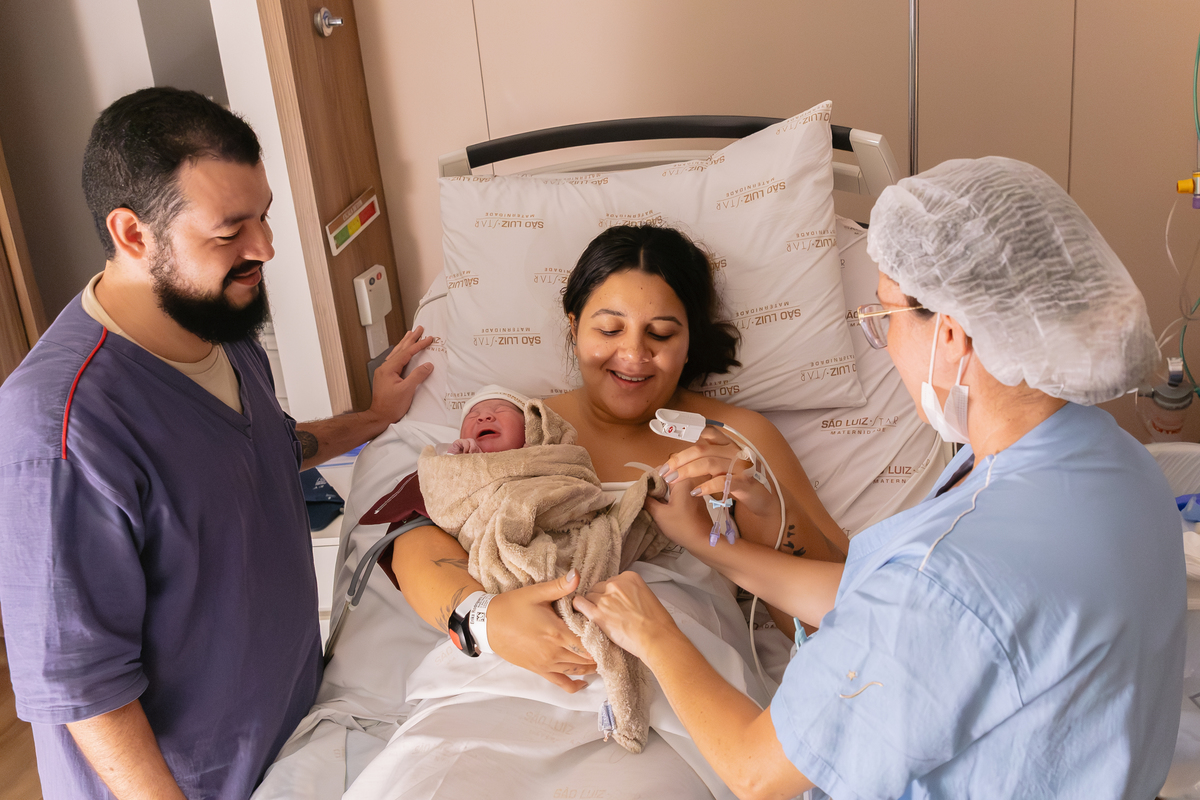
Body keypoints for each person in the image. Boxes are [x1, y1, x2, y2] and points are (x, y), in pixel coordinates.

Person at [574, 157, 1186, 799]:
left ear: (950, 335)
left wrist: (655, 634)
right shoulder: (1115, 462)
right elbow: (881, 598)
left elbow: (756, 773)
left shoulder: (943, 579)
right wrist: (714, 549)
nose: (884, 340)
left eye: (885, 314)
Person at [0, 87, 432, 800]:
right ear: (134, 235)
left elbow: (259, 450)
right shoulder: (63, 424)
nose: (264, 248)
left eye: (263, 216)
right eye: (230, 231)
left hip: (291, 743)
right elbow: (83, 686)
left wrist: (374, 417)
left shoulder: (219, 329)